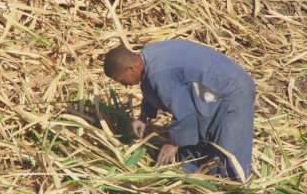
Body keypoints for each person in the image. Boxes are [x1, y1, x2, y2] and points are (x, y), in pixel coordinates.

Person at [103, 39, 255, 181]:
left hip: (232, 89)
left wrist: (173, 144)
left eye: (122, 80)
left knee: (228, 163)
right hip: (211, 88)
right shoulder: (148, 55)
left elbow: (185, 113)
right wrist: (143, 116)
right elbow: (153, 86)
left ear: (131, 68)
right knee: (198, 148)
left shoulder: (159, 74)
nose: (124, 85)